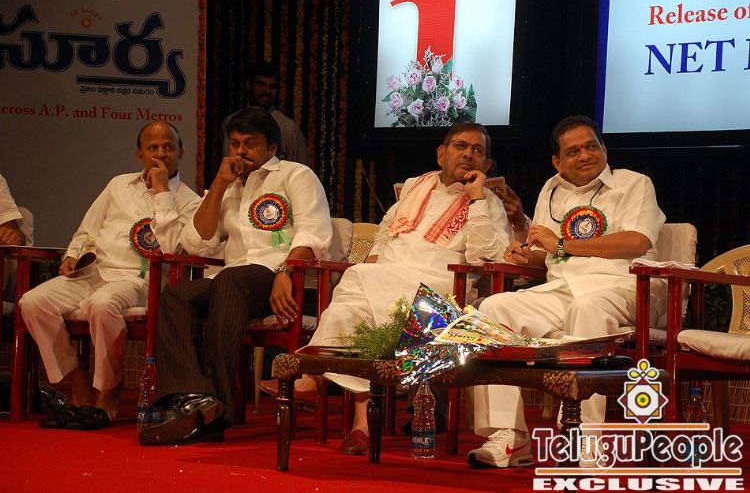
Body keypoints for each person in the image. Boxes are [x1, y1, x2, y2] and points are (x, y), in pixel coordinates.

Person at [261, 122, 524, 456]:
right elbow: (387, 232)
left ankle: (315, 378)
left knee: (357, 279)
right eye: (461, 146)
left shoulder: (489, 203)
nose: (468, 154)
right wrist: (375, 263)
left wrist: (477, 200)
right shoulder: (415, 186)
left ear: (487, 164)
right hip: (386, 279)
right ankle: (361, 425)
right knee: (352, 307)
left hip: (440, 291)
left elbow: (483, 255)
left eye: (478, 151)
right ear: (441, 154)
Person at [468, 115, 665, 468]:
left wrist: (562, 243)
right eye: (573, 151)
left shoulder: (634, 183)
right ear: (558, 162)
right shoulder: (551, 189)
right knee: (492, 310)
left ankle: (585, 440)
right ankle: (510, 437)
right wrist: (528, 254)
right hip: (562, 289)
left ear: (605, 149)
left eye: (591, 146)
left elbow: (637, 241)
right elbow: (550, 254)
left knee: (586, 308)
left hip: (623, 285)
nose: (585, 155)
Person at [139, 106, 332, 445]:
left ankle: (217, 411)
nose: (241, 151)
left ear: (272, 148)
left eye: (250, 144)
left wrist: (285, 271)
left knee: (229, 281)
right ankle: (193, 398)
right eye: (235, 143)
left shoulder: (295, 175)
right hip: (231, 280)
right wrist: (219, 184)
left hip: (276, 277)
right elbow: (197, 242)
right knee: (177, 296)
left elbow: (313, 233)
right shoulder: (228, 186)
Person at [19, 121, 201, 429]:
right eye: (152, 147)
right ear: (139, 154)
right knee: (33, 302)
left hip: (140, 279)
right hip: (94, 272)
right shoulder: (118, 185)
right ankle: (77, 380)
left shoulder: (190, 201)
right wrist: (73, 255)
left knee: (102, 305)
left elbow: (171, 247)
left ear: (180, 152)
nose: (160, 154)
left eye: (168, 147)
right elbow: (88, 229)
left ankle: (109, 389)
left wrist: (162, 192)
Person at [220, 61, 309, 166]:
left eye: (272, 86)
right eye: (261, 84)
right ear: (249, 84)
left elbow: (301, 169)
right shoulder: (230, 122)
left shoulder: (287, 128)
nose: (267, 91)